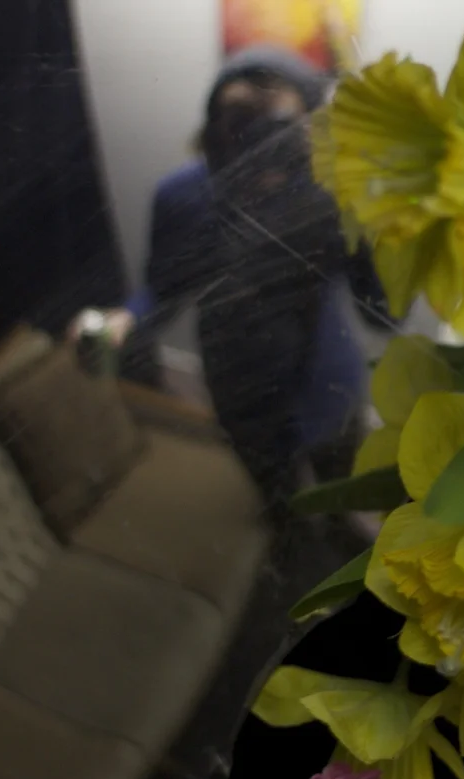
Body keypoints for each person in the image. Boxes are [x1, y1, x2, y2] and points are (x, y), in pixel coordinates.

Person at [72, 48, 379, 537]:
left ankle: (335, 528)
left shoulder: (334, 191)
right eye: (240, 119)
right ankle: (288, 539)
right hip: (243, 389)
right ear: (213, 126)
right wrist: (124, 320)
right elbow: (165, 287)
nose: (258, 141)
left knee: (340, 490)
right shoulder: (184, 197)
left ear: (309, 129)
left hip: (328, 381)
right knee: (277, 504)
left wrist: (386, 226)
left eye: (277, 123)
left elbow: (382, 310)